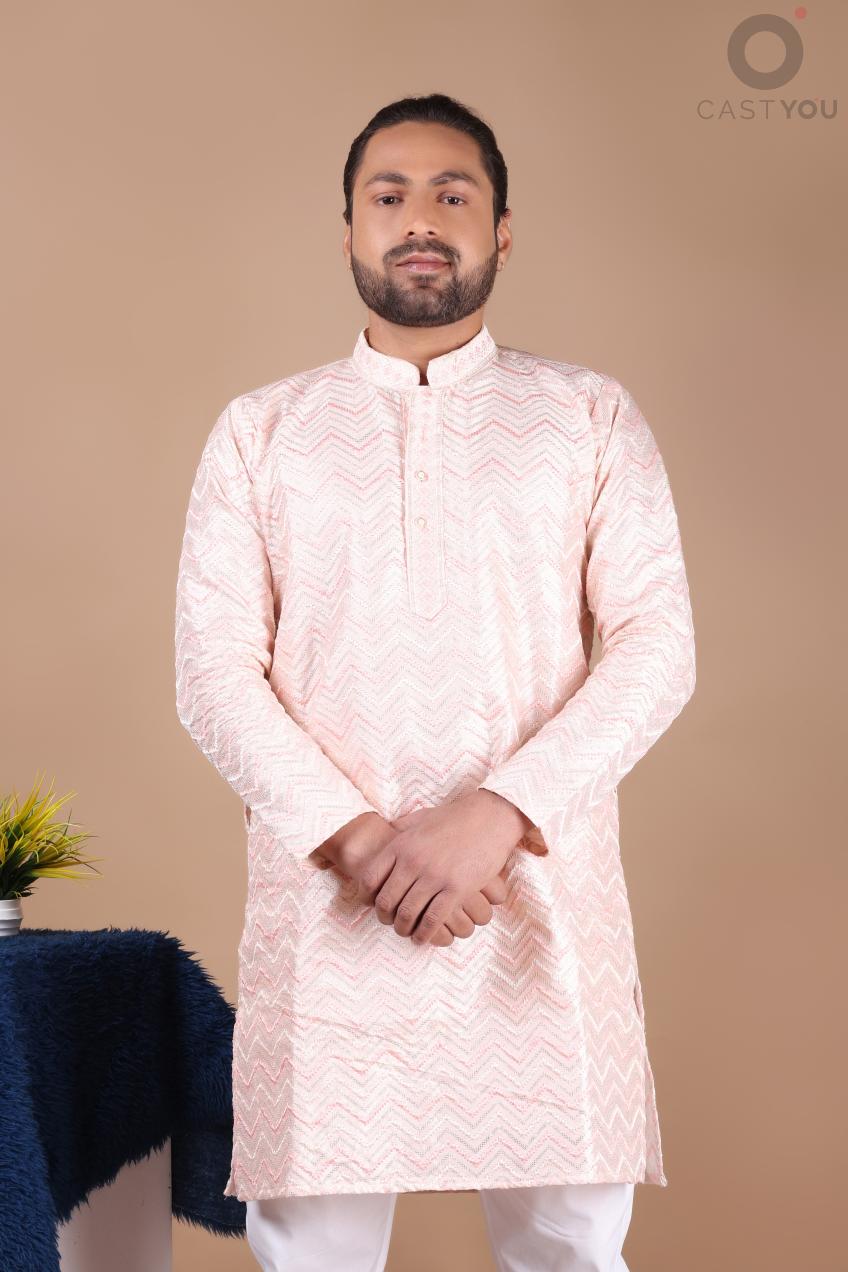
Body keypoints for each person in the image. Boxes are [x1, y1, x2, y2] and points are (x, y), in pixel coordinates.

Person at [174, 91, 696, 1271]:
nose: (420, 219)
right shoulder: (262, 432)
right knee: (310, 1256)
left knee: (570, 1249)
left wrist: (497, 814)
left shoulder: (585, 417)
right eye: (389, 195)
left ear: (500, 230)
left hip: (531, 902)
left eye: (451, 195)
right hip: (330, 909)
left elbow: (656, 645)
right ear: (347, 231)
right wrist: (362, 843)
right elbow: (211, 673)